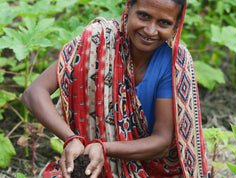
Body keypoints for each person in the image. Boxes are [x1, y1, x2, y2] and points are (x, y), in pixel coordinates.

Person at [21, 0, 210, 177]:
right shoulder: (97, 42)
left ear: (176, 26)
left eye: (163, 23)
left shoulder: (172, 63)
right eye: (144, 16)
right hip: (90, 164)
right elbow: (33, 94)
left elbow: (161, 142)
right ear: (128, 9)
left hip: (151, 170)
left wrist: (103, 148)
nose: (151, 30)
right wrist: (71, 139)